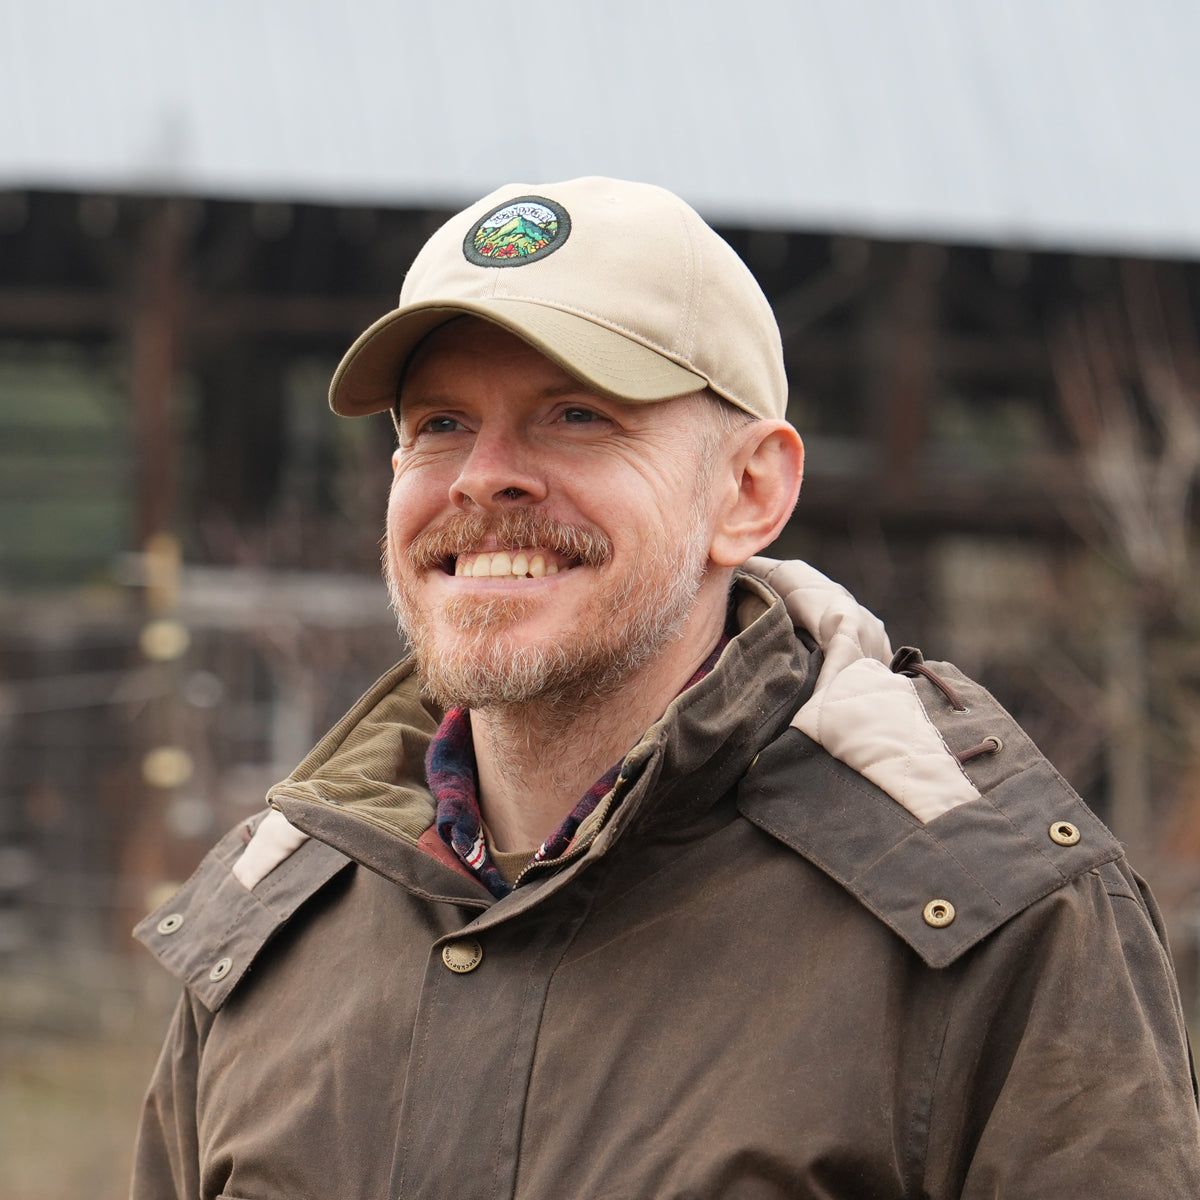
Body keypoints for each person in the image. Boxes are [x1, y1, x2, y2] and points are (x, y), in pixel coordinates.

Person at [131, 177, 1200, 1199]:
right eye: (439, 424)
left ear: (749, 490)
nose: (480, 474)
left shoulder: (995, 918)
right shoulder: (263, 926)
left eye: (578, 415)